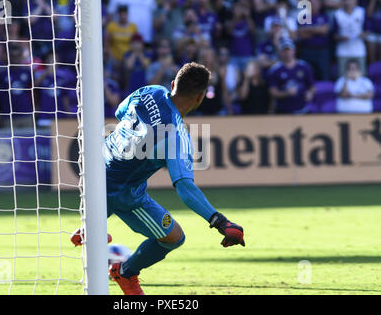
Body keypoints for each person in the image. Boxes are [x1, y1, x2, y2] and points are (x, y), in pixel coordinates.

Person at [72, 63, 245, 295]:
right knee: (174, 238)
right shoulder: (176, 135)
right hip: (122, 193)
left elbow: (119, 113)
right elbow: (184, 186)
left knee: (120, 176)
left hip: (94, 165)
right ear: (200, 97)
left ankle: (89, 227)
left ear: (173, 84)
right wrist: (219, 221)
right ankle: (125, 271)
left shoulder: (149, 91)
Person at [267, 38, 316, 114]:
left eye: (289, 50)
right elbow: (273, 92)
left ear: (294, 50)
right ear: (281, 52)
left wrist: (310, 93)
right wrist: (286, 93)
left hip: (303, 109)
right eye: (285, 50)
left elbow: (312, 86)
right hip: (283, 111)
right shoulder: (275, 70)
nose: (288, 53)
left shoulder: (304, 66)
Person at [332, 0, 367, 77]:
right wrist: (341, 38)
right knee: (342, 76)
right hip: (343, 51)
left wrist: (362, 35)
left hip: (359, 50)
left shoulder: (361, 12)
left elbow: (368, 30)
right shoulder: (337, 14)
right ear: (342, 1)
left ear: (354, 0)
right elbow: (334, 35)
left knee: (361, 76)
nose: (348, 2)